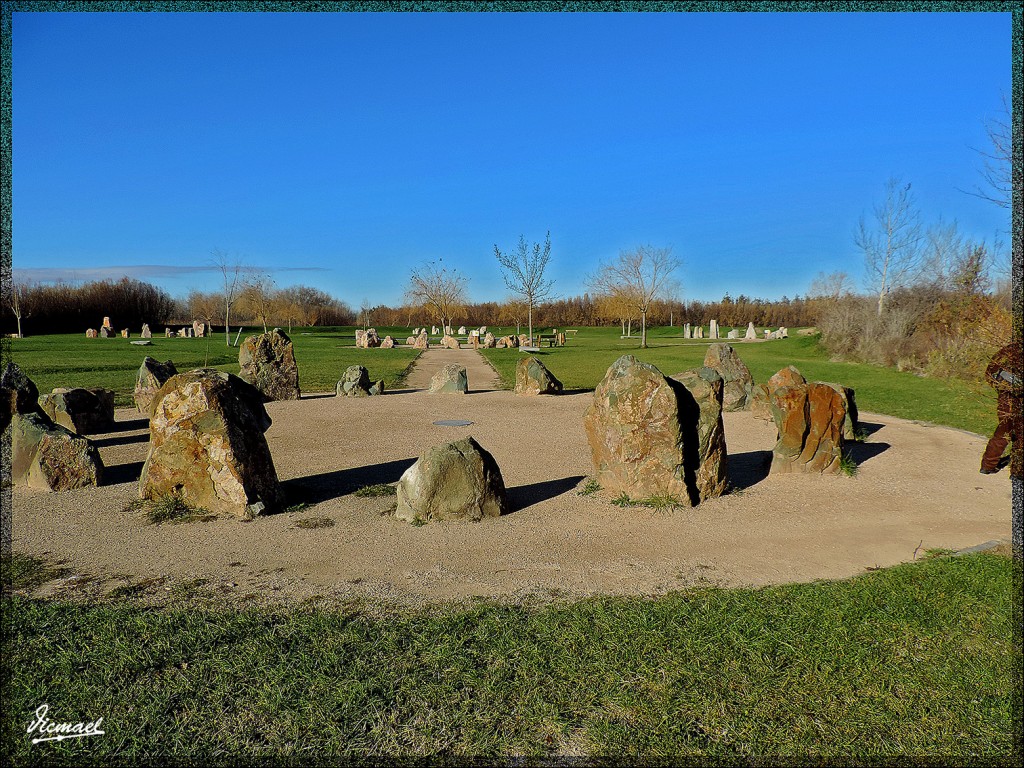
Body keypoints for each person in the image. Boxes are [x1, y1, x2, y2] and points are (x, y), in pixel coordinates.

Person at [980, 342, 1022, 476]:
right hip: (1010, 398)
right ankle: (991, 464)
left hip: (1006, 397)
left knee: (1005, 430)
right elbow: (991, 373)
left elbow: (990, 373)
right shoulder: (1011, 350)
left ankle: (989, 464)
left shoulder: (1010, 349)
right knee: (1007, 429)